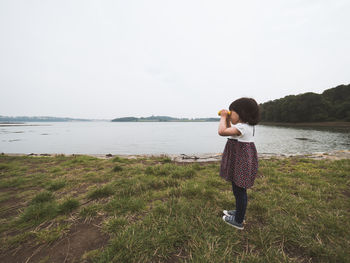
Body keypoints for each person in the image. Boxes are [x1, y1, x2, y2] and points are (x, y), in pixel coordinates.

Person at [218, 97, 260, 230]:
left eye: (232, 112)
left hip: (240, 162)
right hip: (240, 162)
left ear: (241, 113)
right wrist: (229, 120)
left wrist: (223, 117)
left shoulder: (242, 127)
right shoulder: (245, 127)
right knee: (238, 190)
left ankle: (238, 220)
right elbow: (230, 131)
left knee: (239, 191)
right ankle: (239, 212)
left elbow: (222, 131)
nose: (230, 114)